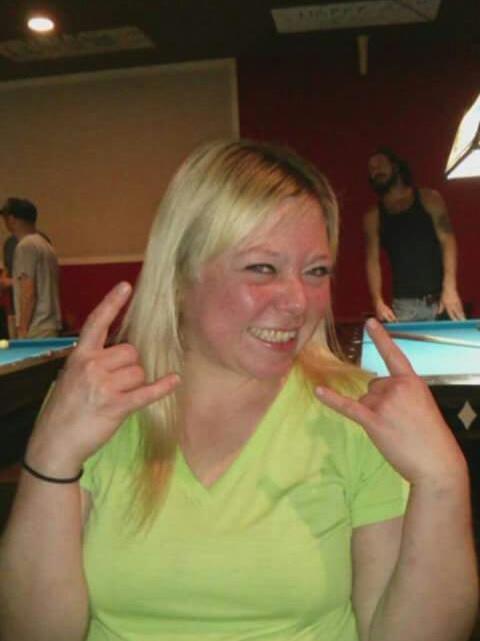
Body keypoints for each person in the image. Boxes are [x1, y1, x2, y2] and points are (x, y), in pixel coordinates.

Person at [0, 140, 477, 641]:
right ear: (180, 274)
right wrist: (50, 455)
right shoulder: (95, 403)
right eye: (262, 268)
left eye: (316, 271)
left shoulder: (360, 411)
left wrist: (443, 480)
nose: (298, 302)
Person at [364, 147, 464, 322]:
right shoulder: (373, 216)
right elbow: (372, 260)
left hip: (442, 299)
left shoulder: (429, 199)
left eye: (379, 164)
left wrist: (450, 288)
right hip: (405, 307)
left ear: (395, 167)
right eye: (371, 169)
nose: (376, 171)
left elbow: (448, 241)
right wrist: (378, 301)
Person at [0, 197, 61, 338]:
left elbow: (28, 291)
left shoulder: (25, 246)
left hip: (35, 326)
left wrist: (22, 328)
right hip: (49, 324)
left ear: (12, 219)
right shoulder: (46, 245)